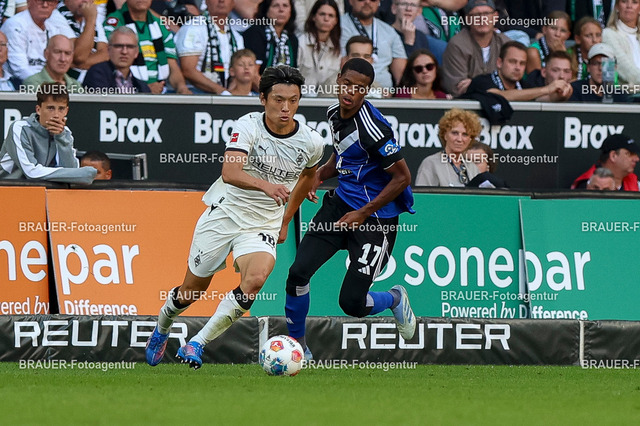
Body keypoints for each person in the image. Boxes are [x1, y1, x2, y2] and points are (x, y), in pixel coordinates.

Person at [144, 65, 324, 370]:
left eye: (293, 101)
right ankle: (162, 327)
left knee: (255, 281)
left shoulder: (311, 141)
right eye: (278, 100)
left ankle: (197, 343)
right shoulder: (248, 126)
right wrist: (266, 185)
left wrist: (285, 220)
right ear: (263, 99)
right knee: (190, 293)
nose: (286, 108)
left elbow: (308, 176)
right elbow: (230, 172)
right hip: (225, 213)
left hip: (262, 224)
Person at [284, 58, 416, 357]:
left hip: (375, 220)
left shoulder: (374, 129)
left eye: (359, 88)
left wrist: (363, 213)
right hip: (340, 206)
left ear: (366, 91)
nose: (350, 92)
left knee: (352, 304)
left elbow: (403, 178)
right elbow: (343, 154)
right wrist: (319, 175)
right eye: (346, 84)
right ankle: (298, 347)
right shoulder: (333, 113)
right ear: (338, 79)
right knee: (298, 273)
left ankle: (394, 298)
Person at [0, 82, 97, 183]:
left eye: (61, 109)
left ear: (66, 111)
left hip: (40, 190)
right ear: (38, 109)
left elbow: (71, 174)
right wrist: (82, 174)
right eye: (50, 108)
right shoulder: (20, 128)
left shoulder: (65, 133)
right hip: (5, 187)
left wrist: (61, 138)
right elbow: (31, 172)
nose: (56, 115)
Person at [103, 0, 192, 94]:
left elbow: (172, 67)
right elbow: (113, 64)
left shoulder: (160, 24)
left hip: (161, 90)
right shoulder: (114, 23)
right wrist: (143, 88)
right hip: (126, 91)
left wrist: (181, 87)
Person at [440, 0, 510, 97]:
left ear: (495, 16)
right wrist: (494, 86)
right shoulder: (457, 44)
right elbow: (456, 88)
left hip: (501, 102)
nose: (482, 19)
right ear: (467, 19)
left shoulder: (505, 43)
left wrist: (474, 84)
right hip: (466, 104)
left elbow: (512, 83)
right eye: (476, 15)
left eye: (486, 13)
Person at [465, 41, 573, 102]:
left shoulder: (525, 86)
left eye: (522, 63)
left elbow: (545, 98)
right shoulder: (481, 81)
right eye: (512, 62)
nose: (517, 67)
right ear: (499, 63)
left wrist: (563, 93)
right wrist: (547, 89)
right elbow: (500, 96)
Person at [175, 0, 243, 94]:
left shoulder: (236, 37)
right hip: (195, 93)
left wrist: (230, 93)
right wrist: (222, 92)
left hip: (225, 92)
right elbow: (188, 70)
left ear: (233, 3)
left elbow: (240, 70)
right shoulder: (193, 28)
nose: (221, 1)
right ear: (206, 2)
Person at [0, 0, 77, 81]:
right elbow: (20, 70)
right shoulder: (15, 25)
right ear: (29, 2)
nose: (45, 5)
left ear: (55, 5)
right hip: (20, 84)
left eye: (50, 1)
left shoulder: (52, 28)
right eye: (40, 1)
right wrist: (48, 84)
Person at [340, 0, 407, 89]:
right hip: (350, 90)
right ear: (351, 1)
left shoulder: (390, 32)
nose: (367, 2)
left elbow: (402, 77)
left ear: (378, 2)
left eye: (373, 0)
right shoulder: (336, 26)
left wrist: (398, 94)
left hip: (385, 93)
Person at [414, 108, 481, 186]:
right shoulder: (431, 164)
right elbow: (422, 193)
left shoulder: (472, 168)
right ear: (445, 135)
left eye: (465, 134)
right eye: (455, 133)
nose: (459, 139)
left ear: (470, 139)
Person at [83, 26, 151, 93]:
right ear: (109, 49)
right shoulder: (96, 74)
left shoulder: (143, 87)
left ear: (136, 52)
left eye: (130, 46)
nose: (124, 52)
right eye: (119, 46)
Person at [297, 0, 341, 98]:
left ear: (336, 20)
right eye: (322, 14)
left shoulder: (338, 48)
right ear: (313, 17)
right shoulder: (301, 42)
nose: (326, 19)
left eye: (331, 16)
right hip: (301, 99)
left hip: (327, 100)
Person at [57, 0, 109, 83]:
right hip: (67, 84)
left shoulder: (90, 15)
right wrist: (90, 21)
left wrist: (76, 64)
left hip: (94, 81)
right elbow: (79, 57)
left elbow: (106, 54)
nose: (85, 1)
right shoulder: (56, 16)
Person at [243, 0, 299, 77]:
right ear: (266, 10)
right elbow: (253, 73)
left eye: (285, 6)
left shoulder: (292, 39)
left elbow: (294, 73)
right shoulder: (255, 33)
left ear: (291, 11)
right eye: (276, 6)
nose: (281, 10)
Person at [572, 133, 640, 191]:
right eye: (629, 154)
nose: (637, 159)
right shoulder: (589, 184)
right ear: (613, 156)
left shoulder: (635, 182)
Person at [602, 0, 640, 86]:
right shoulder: (608, 34)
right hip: (626, 92)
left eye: (634, 2)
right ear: (617, 6)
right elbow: (626, 70)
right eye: (624, 1)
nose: (629, 6)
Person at [568, 16, 602, 81]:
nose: (594, 40)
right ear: (577, 39)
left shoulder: (606, 57)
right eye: (588, 36)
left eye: (598, 35)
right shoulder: (568, 56)